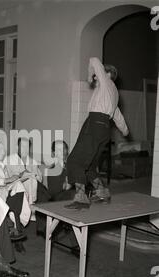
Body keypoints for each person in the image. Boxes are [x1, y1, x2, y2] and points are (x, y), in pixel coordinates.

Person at [65, 57, 129, 210]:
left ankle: (81, 199)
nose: (95, 76)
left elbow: (93, 59)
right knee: (90, 166)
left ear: (107, 75)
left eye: (98, 74)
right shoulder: (112, 92)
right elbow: (118, 115)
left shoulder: (106, 83)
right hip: (104, 127)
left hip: (94, 123)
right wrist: (125, 131)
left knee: (75, 161)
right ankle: (102, 193)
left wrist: (89, 77)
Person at [4, 137, 43, 205]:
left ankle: (32, 204)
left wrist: (33, 174)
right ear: (17, 147)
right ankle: (31, 205)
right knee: (29, 180)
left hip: (31, 185)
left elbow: (40, 179)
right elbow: (7, 177)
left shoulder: (33, 161)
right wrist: (22, 174)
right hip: (14, 186)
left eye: (27, 147)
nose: (25, 149)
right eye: (22, 146)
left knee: (32, 181)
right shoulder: (8, 160)